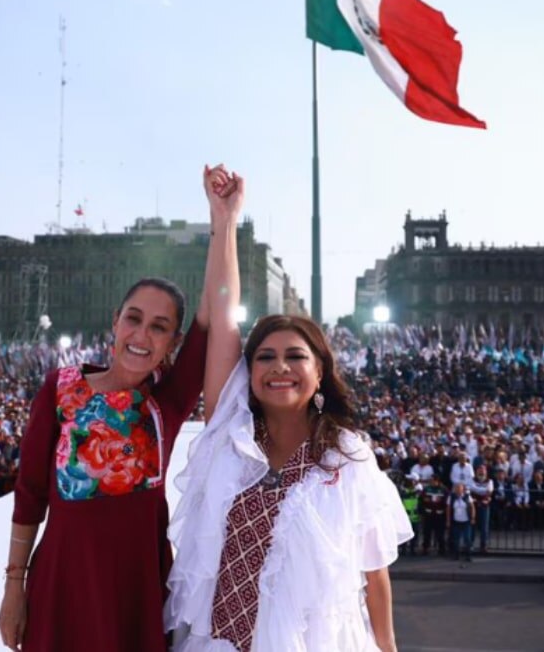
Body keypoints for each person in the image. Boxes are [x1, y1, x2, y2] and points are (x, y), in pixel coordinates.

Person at [166, 169, 409, 652]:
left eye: (296, 356)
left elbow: (374, 571)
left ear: (320, 372)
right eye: (265, 356)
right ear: (249, 374)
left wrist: (388, 648)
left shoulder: (348, 456)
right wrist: (225, 221)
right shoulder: (230, 435)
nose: (280, 368)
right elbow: (222, 307)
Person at [0, 167, 225, 652]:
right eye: (134, 319)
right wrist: (13, 588)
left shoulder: (166, 403)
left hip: (136, 593)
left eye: (159, 327)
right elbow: (30, 494)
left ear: (173, 343)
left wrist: (222, 221)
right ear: (115, 322)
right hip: (61, 586)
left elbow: (214, 310)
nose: (142, 336)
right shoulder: (60, 389)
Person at [448, 481, 476, 564]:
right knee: (456, 539)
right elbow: (449, 509)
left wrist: (473, 518)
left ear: (463, 489)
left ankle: (468, 555)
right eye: (456, 488)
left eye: (459, 488)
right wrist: (448, 520)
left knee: (467, 539)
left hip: (466, 521)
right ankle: (456, 555)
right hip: (456, 521)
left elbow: (472, 507)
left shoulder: (467, 497)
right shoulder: (452, 497)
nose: (458, 490)